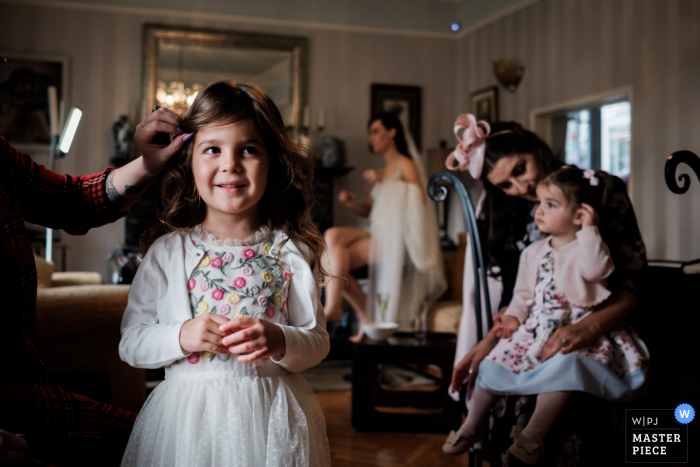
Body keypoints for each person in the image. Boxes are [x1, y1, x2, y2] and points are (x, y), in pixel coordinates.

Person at [118, 80, 331, 467]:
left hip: (271, 424)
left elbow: (317, 341)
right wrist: (182, 335)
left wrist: (281, 339)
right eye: (213, 149)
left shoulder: (290, 252)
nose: (230, 163)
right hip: (187, 425)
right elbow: (131, 343)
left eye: (248, 150)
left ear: (272, 162)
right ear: (190, 160)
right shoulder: (169, 252)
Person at [0, 51, 188, 466]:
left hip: (22, 389)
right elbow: (137, 342)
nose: (3, 62)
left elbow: (70, 201)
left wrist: (147, 164)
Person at [447, 114, 647, 465]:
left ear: (535, 147)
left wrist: (585, 328)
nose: (521, 188)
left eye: (520, 169)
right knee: (496, 377)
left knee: (567, 400)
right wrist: (489, 342)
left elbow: (630, 281)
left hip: (589, 331)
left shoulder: (594, 191)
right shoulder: (510, 214)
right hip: (531, 335)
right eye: (506, 184)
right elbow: (521, 297)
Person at [322, 112, 445, 340]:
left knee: (336, 254)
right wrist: (354, 204)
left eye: (376, 131)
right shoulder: (382, 170)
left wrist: (385, 181)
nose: (371, 138)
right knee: (331, 242)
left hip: (396, 239)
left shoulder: (405, 165)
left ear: (392, 132)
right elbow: (369, 209)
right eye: (370, 133)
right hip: (375, 232)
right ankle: (342, 308)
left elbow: (418, 201)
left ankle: (346, 310)